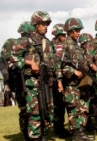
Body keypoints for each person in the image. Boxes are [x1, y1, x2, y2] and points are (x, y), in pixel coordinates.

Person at [10, 11, 55, 140]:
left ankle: (43, 135)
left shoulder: (47, 42)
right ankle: (34, 137)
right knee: (35, 112)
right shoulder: (26, 40)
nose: (45, 26)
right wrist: (29, 62)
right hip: (32, 84)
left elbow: (54, 62)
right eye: (43, 24)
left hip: (47, 82)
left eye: (47, 24)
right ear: (36, 24)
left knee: (47, 111)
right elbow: (12, 57)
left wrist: (58, 81)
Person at [55, 17, 94, 141]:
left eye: (79, 30)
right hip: (71, 84)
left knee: (83, 107)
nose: (78, 33)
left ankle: (81, 131)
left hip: (81, 83)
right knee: (74, 109)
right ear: (70, 31)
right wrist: (73, 71)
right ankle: (76, 134)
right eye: (76, 30)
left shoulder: (77, 47)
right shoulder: (63, 46)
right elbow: (58, 64)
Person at [51, 23, 71, 138]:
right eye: (62, 34)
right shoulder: (54, 45)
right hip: (56, 80)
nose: (64, 36)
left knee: (66, 104)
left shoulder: (65, 45)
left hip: (66, 79)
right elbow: (57, 63)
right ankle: (59, 129)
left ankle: (62, 128)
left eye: (65, 34)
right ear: (57, 34)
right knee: (58, 106)